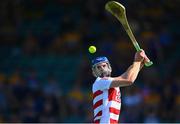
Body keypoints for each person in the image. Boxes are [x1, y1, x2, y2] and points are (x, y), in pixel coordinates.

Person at [92, 49, 150, 124]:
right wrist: (137, 61)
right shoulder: (100, 81)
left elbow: (126, 75)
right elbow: (129, 80)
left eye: (104, 65)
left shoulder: (110, 82)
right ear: (94, 71)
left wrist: (141, 62)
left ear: (109, 66)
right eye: (98, 67)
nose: (102, 69)